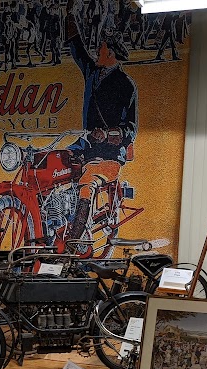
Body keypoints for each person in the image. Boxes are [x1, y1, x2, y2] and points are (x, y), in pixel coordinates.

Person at [64, 0, 138, 242]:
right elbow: (77, 48)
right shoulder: (93, 73)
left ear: (111, 53)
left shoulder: (126, 85)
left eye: (102, 48)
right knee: (52, 163)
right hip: (85, 146)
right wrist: (69, 16)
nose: (97, 51)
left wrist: (107, 134)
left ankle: (73, 243)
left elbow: (131, 129)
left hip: (110, 155)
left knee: (87, 182)